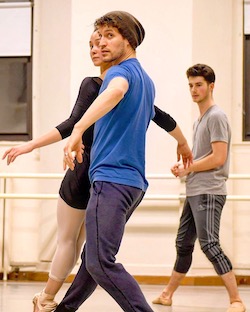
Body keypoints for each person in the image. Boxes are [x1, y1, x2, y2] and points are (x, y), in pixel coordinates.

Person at [2, 32, 192, 312]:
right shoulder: (99, 85)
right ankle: (49, 300)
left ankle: (46, 300)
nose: (96, 47)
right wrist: (32, 145)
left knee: (92, 254)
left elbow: (158, 116)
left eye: (104, 40)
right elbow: (74, 122)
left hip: (104, 175)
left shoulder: (129, 85)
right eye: (92, 44)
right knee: (85, 250)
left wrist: (183, 142)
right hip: (91, 174)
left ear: (125, 43)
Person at [57, 10, 165, 312]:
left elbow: (115, 91)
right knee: (93, 259)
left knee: (100, 262)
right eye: (99, 36)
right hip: (132, 185)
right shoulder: (145, 78)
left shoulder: (119, 74)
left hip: (112, 179)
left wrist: (79, 128)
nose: (101, 43)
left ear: (128, 41)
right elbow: (159, 116)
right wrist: (181, 140)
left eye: (110, 36)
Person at [152, 64, 246, 312]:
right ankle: (167, 294)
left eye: (199, 85)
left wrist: (188, 169)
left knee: (209, 244)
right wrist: (184, 166)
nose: (193, 90)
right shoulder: (200, 120)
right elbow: (203, 157)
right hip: (195, 190)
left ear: (211, 86)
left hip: (210, 190)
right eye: (191, 85)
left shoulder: (217, 116)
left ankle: (236, 300)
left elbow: (218, 158)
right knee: (183, 243)